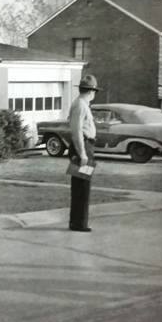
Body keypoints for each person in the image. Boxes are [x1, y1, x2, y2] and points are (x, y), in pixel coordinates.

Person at [67, 75, 101, 232]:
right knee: (82, 187)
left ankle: (77, 221)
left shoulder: (81, 104)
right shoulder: (81, 105)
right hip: (84, 149)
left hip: (86, 147)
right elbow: (76, 131)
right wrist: (82, 154)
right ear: (91, 91)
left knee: (82, 186)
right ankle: (79, 223)